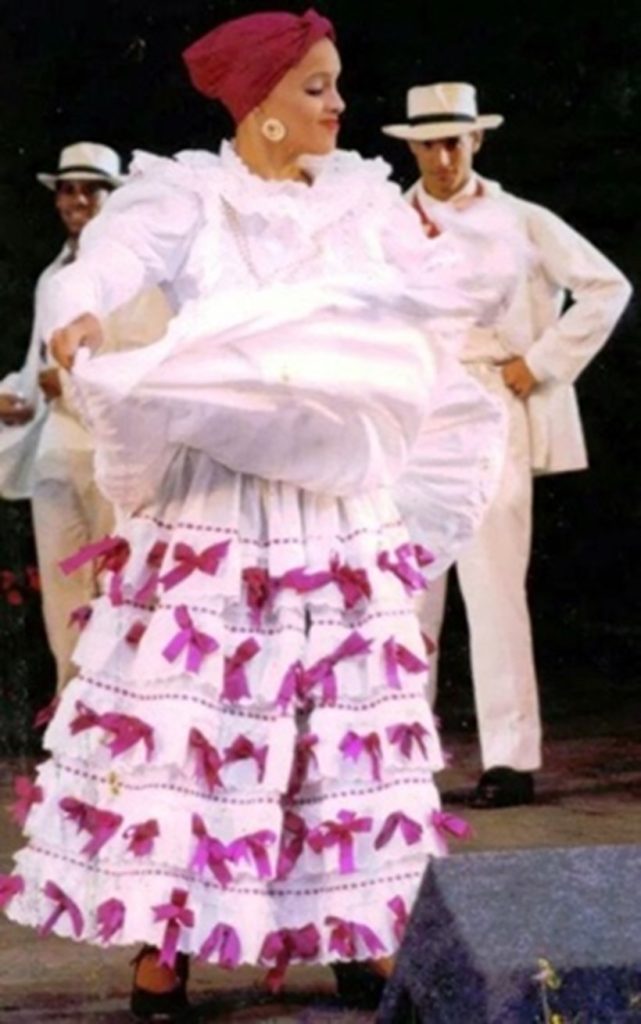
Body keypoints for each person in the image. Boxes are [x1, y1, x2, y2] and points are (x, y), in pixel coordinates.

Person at [2, 16, 518, 1019]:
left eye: (335, 86)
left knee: (334, 708)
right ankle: (168, 942)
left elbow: (430, 285)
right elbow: (101, 262)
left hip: (330, 492)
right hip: (224, 493)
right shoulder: (189, 193)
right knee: (202, 711)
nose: (336, 105)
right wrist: (80, 309)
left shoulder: (361, 196)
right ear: (265, 106)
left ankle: (350, 924)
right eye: (317, 88)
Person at [382, 82, 632, 809]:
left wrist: (543, 363)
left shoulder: (519, 218)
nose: (439, 155)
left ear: (476, 141)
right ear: (411, 147)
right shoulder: (384, 222)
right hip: (412, 404)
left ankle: (509, 760)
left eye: (451, 141)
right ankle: (399, 758)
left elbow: (604, 286)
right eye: (426, 143)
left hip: (490, 397)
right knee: (405, 589)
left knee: (491, 583)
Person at [0, 143, 171, 692]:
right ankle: (71, 713)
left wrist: (68, 386)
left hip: (111, 452)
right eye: (68, 190)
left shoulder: (135, 279)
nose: (77, 200)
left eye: (90, 189)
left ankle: (117, 718)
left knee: (116, 584)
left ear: (114, 198)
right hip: (57, 447)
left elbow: (141, 363)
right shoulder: (55, 276)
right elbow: (38, 368)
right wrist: (14, 397)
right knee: (63, 584)